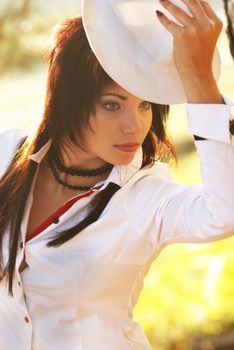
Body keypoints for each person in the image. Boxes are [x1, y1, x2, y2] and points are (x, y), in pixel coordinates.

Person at [0, 0, 233, 349]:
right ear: (67, 96)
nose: (135, 125)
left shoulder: (143, 196)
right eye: (113, 104)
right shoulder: (7, 155)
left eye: (144, 106)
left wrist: (199, 82)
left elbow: (224, 214)